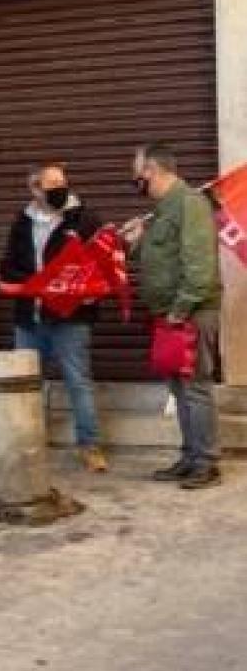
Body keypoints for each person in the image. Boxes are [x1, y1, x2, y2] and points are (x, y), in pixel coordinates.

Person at [124, 142, 224, 489]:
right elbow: (158, 262)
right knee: (180, 389)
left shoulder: (189, 204)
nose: (134, 178)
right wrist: (138, 241)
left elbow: (200, 270)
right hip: (169, 314)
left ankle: (207, 462)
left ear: (152, 170)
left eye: (136, 170)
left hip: (190, 313)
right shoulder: (163, 211)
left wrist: (178, 313)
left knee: (195, 387)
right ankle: (190, 455)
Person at [1, 162, 107, 472]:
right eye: (51, 184)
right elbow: (9, 264)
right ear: (35, 189)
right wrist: (35, 284)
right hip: (30, 316)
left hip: (71, 316)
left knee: (78, 381)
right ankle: (29, 442)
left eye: (63, 181)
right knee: (28, 384)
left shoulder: (85, 219)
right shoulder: (22, 221)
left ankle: (90, 446)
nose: (60, 188)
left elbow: (98, 263)